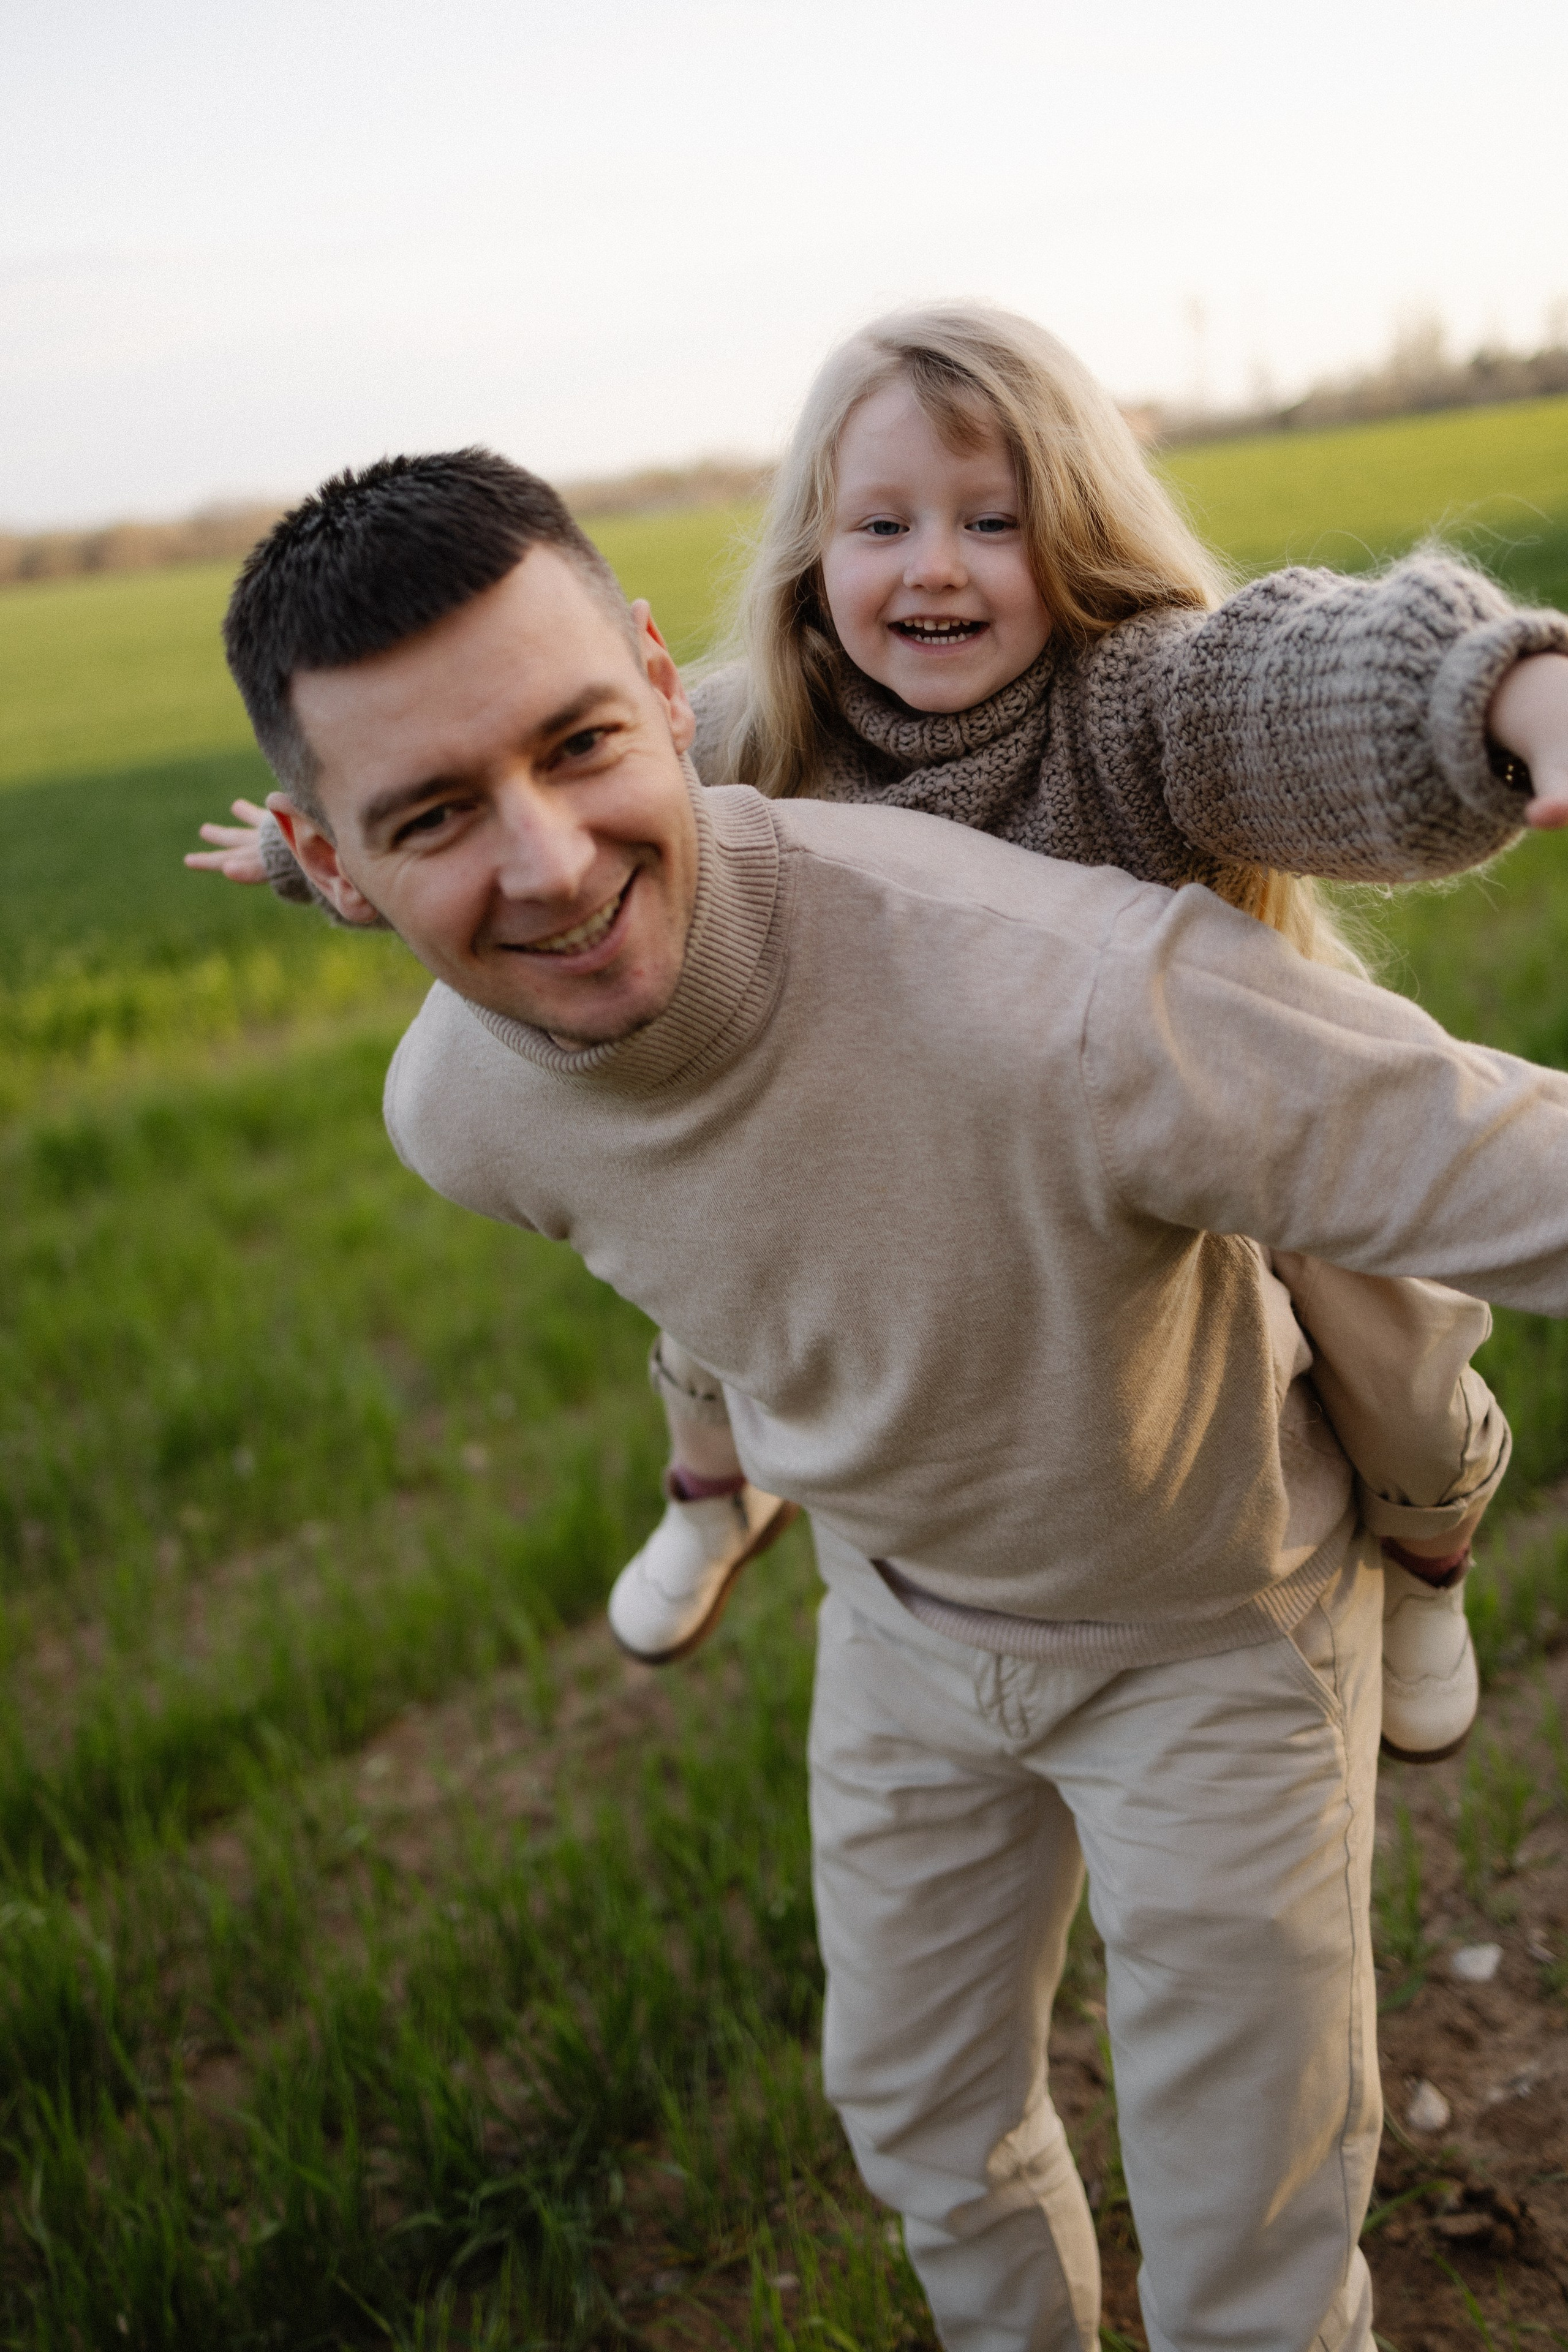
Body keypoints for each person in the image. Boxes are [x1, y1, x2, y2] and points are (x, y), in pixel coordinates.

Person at [216, 445, 1568, 2351]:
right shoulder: (457, 1112)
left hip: (1214, 1636)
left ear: (665, 690)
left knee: (1242, 2247)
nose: (552, 864)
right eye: (434, 814)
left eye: (582, 745)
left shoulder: (1053, 986)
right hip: (898, 1631)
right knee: (924, 2126)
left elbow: (1498, 1155)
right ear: (334, 864)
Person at [193, 307, 1568, 1760]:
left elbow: (1298, 677)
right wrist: (305, 855)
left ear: (1073, 533)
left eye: (992, 521)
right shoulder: (756, 722)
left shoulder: (1139, 700)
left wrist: (1504, 692)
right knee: (712, 1268)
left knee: (1394, 1341)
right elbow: (516, 792)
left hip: (1179, 1128)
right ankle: (710, 1495)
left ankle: (1426, 1555)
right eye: (882, 524)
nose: (933, 565)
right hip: (862, 1151)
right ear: (814, 552)